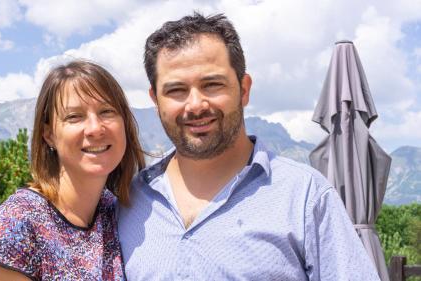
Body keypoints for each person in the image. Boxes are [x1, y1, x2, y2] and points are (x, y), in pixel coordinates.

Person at [118, 13, 381, 280]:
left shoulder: (305, 197)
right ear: (155, 99)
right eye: (176, 90)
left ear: (244, 89)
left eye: (212, 84)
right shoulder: (130, 201)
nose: (195, 105)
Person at [0, 60, 145, 280]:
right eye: (74, 117)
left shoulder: (115, 212)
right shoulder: (16, 225)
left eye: (106, 111)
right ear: (48, 134)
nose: (95, 128)